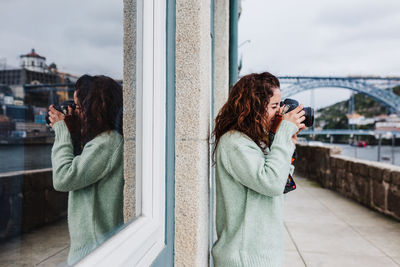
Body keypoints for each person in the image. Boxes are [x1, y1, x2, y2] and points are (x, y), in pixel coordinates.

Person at [211, 72, 305, 267]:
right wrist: (284, 134)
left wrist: (287, 145)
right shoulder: (235, 143)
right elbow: (271, 183)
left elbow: (279, 188)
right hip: (245, 258)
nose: (280, 112)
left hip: (259, 256)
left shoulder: (255, 143)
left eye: (280, 106)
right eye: (274, 106)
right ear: (254, 107)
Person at [48, 75, 124, 265]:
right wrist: (74, 134)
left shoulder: (106, 143)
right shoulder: (106, 141)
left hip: (94, 251)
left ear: (94, 109)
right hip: (98, 248)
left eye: (79, 107)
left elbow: (63, 178)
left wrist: (61, 131)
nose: (76, 112)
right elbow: (82, 170)